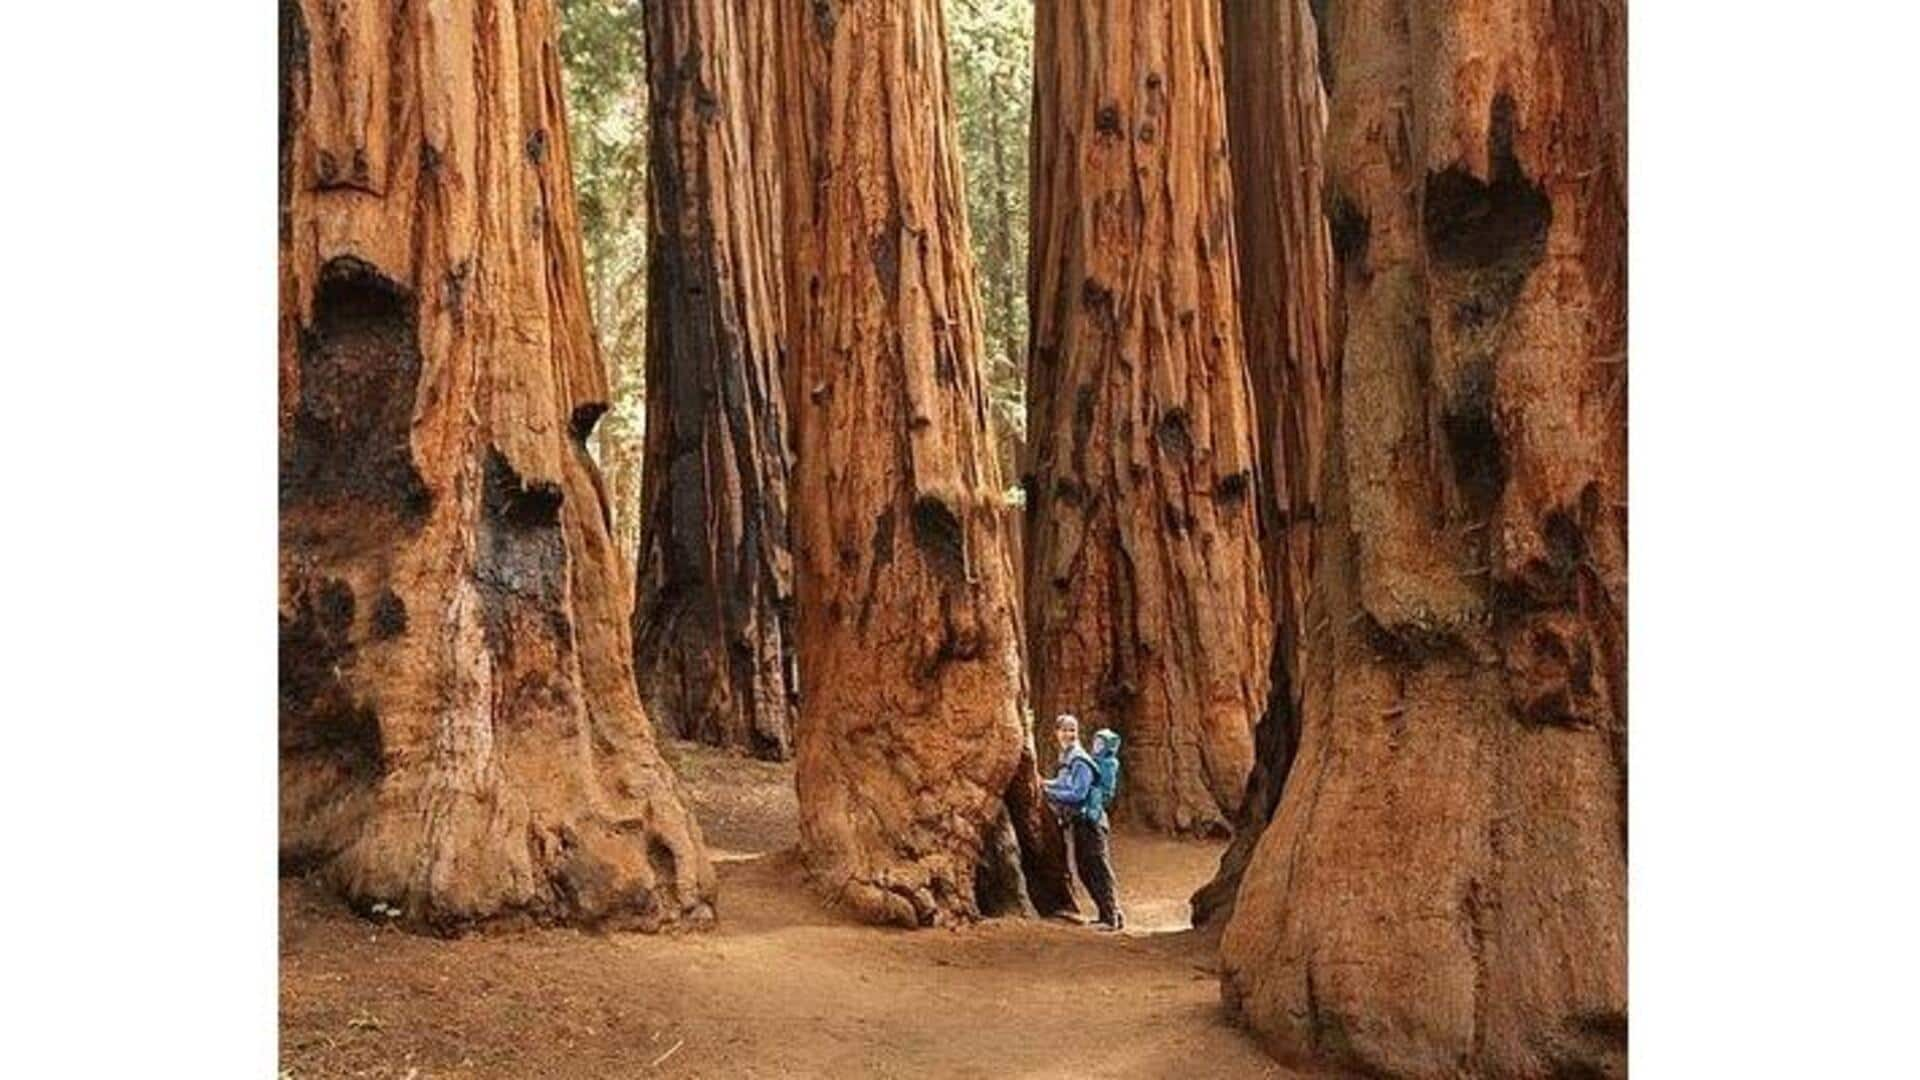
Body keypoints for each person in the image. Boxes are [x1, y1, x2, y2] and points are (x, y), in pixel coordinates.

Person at [1042, 714, 1125, 931]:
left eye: (1073, 730)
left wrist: (1047, 792)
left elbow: (1078, 794)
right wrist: (1043, 784)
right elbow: (1063, 784)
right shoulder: (1067, 757)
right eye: (1065, 730)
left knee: (1097, 867)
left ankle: (1111, 917)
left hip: (1092, 823)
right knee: (1086, 869)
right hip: (1081, 823)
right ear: (1056, 732)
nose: (1069, 734)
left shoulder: (1079, 759)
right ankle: (1108, 914)